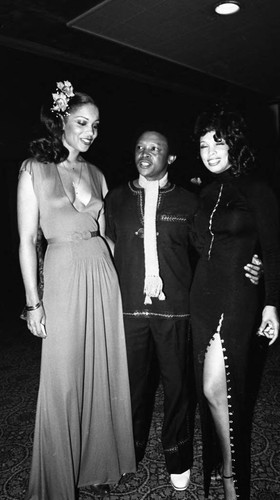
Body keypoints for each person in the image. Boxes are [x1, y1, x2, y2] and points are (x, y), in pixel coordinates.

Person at [104, 126, 262, 492]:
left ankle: (177, 457)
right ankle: (130, 451)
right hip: (128, 310)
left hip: (176, 310)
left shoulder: (190, 202)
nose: (146, 154)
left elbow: (217, 245)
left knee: (178, 389)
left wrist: (254, 261)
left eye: (155, 148)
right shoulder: (115, 199)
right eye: (140, 147)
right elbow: (106, 246)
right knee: (131, 389)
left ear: (170, 158)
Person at [17, 80, 136, 500]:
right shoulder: (34, 168)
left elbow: (107, 237)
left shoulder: (98, 174)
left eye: (96, 126)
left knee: (101, 368)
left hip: (102, 274)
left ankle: (98, 465)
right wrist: (33, 303)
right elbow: (27, 241)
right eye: (82, 122)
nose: (90, 132)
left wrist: (143, 273)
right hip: (63, 274)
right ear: (61, 121)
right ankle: (55, 482)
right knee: (63, 377)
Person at [190, 107, 280, 499]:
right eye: (203, 144)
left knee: (217, 387)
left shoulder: (256, 188)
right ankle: (222, 466)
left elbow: (275, 250)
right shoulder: (204, 192)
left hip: (236, 296)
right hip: (202, 296)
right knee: (209, 389)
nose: (210, 152)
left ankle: (231, 477)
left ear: (235, 143)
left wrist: (271, 303)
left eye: (218, 142)